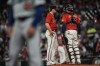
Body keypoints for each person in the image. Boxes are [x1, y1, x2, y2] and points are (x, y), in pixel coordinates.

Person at [6, 0, 45, 66]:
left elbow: (40, 9)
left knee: (34, 53)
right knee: (12, 53)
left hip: (30, 20)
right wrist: (9, 24)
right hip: (17, 23)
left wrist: (34, 25)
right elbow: (12, 8)